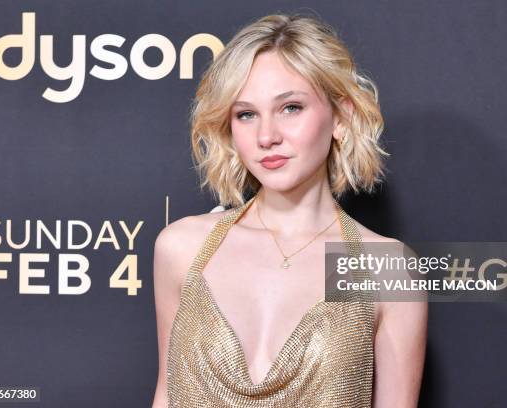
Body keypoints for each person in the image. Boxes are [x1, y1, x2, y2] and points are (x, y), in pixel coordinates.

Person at [152, 13, 427, 407]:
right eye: (246, 114)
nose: (267, 136)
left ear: (341, 117)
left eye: (291, 108)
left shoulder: (384, 267)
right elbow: (167, 394)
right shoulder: (182, 248)